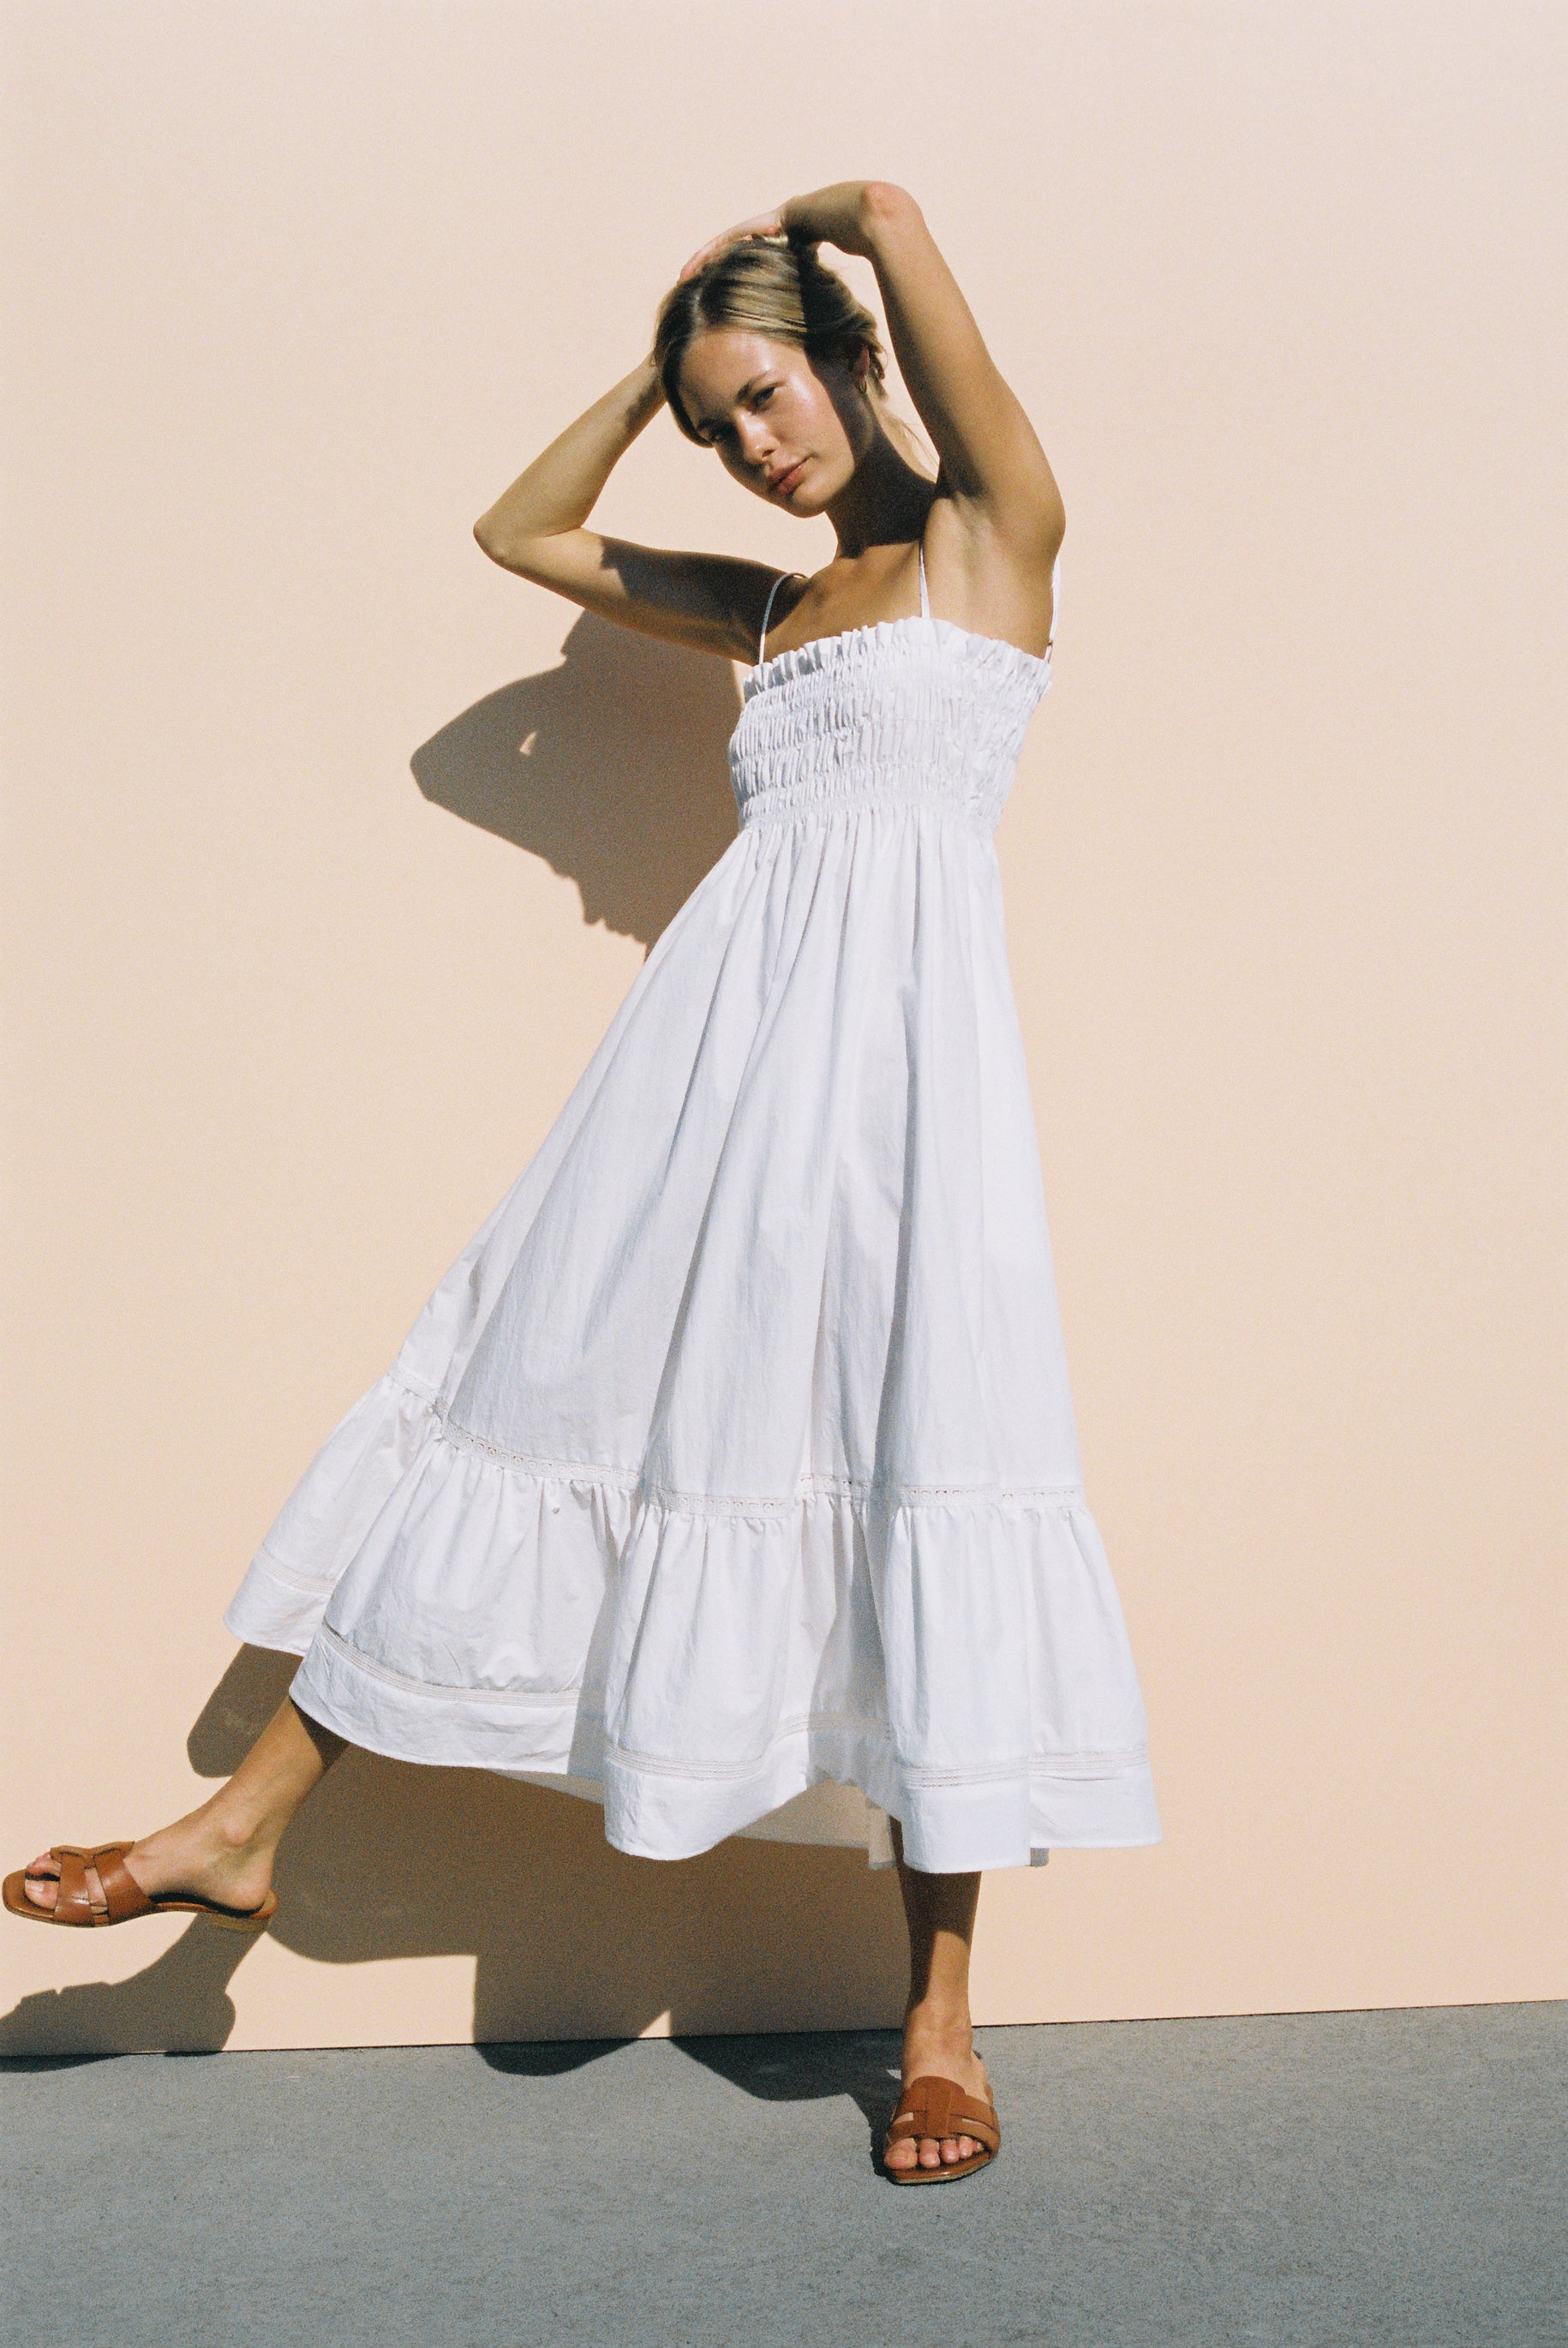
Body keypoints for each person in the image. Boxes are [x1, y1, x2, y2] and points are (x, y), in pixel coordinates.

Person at [7, 181, 1160, 2182]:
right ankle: (241, 1830)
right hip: (696, 1085)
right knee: (516, 1390)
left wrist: (852, 218)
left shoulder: (991, 542)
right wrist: (657, 368)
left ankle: (943, 2022)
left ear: (852, 357)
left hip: (901, 1113)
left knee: (920, 1476)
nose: (751, 445)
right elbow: (519, 532)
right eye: (719, 427)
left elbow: (911, 269)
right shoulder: (766, 611)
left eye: (767, 394)